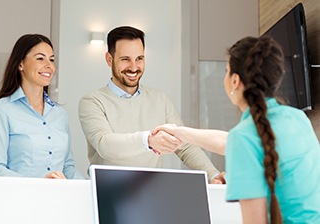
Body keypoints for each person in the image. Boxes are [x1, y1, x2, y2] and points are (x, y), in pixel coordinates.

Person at [154, 36, 320, 224]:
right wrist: (181, 132)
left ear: (234, 80)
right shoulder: (297, 119)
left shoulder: (246, 137)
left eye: (226, 70)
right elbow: (230, 141)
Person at [78, 26, 225, 183]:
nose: (134, 67)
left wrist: (212, 175)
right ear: (109, 59)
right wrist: (148, 140)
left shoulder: (160, 99)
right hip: (107, 192)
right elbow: (105, 145)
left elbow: (185, 146)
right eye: (125, 59)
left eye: (139, 59)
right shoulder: (92, 101)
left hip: (150, 192)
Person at [0, 34, 84, 179]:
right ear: (20, 64)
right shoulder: (1, 110)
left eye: (51, 59)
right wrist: (38, 184)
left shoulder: (59, 114)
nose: (49, 65)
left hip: (58, 199)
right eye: (40, 58)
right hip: (21, 199)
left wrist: (87, 187)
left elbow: (67, 167)